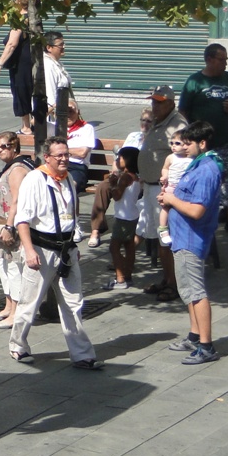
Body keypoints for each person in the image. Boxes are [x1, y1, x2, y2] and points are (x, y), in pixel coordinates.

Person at [11, 136, 103, 369]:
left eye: (66, 154)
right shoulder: (34, 180)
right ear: (47, 157)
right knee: (29, 303)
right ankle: (18, 345)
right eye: (59, 155)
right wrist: (29, 250)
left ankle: (82, 354)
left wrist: (74, 240)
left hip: (66, 250)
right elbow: (22, 219)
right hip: (41, 249)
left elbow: (71, 209)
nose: (64, 159)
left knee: (74, 303)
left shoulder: (68, 178)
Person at [158, 121, 222, 364]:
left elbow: (196, 211)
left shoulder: (207, 170)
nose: (184, 147)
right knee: (187, 291)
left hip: (191, 238)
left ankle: (206, 347)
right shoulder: (200, 163)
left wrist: (172, 200)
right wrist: (168, 198)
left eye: (189, 143)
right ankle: (195, 336)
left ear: (202, 143)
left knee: (196, 292)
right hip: (183, 236)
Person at [179, 43, 228, 236]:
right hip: (201, 144)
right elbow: (183, 111)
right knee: (201, 179)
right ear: (209, 59)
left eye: (226, 59)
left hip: (225, 139)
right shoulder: (195, 82)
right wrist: (185, 137)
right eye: (222, 59)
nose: (226, 63)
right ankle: (199, 214)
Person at [138, 85, 189, 301]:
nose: (154, 105)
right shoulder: (158, 121)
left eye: (159, 102)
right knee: (160, 238)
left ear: (171, 103)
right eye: (153, 101)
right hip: (150, 187)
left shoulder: (177, 126)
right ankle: (167, 279)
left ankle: (175, 283)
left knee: (167, 238)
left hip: (164, 191)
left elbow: (184, 157)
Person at [0, 132, 32, 329]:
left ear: (14, 147)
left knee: (14, 268)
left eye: (4, 146)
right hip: (1, 222)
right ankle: (9, 306)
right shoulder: (9, 167)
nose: (0, 150)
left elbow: (18, 200)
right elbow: (8, 195)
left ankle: (16, 312)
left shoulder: (17, 169)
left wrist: (9, 227)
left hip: (12, 226)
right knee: (3, 266)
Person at [88, 108, 151, 248]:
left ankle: (130, 238)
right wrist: (114, 173)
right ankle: (96, 230)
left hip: (138, 179)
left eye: (149, 121)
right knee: (103, 187)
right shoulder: (133, 136)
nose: (145, 124)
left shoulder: (155, 140)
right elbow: (119, 157)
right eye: (143, 120)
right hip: (122, 175)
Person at [103, 146, 141, 290]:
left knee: (114, 248)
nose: (118, 160)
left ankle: (120, 279)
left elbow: (117, 196)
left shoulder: (125, 177)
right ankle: (128, 275)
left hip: (123, 217)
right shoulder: (135, 176)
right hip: (132, 215)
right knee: (129, 246)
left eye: (120, 157)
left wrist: (113, 185)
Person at [0, 0, 33, 136]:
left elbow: (11, 45)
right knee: (28, 91)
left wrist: (0, 63)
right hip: (30, 61)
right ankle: (29, 124)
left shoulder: (20, 21)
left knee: (21, 92)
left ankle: (26, 127)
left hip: (21, 64)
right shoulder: (32, 18)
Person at [157, 130, 191, 247]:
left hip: (184, 188)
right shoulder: (171, 157)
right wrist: (164, 175)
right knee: (165, 208)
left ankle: (183, 229)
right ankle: (163, 229)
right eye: (171, 143)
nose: (173, 146)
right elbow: (165, 168)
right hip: (171, 186)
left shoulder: (191, 158)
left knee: (182, 208)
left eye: (177, 143)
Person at [43, 31, 72, 129]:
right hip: (53, 119)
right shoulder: (48, 66)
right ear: (49, 47)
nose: (64, 47)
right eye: (60, 45)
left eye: (64, 44)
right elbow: (50, 95)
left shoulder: (56, 63)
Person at [65, 100, 95, 193]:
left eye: (71, 111)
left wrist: (59, 152)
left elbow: (82, 153)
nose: (68, 115)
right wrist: (54, 106)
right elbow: (35, 122)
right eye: (65, 111)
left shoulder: (86, 128)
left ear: (78, 112)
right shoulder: (54, 127)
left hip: (77, 167)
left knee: (69, 189)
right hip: (56, 165)